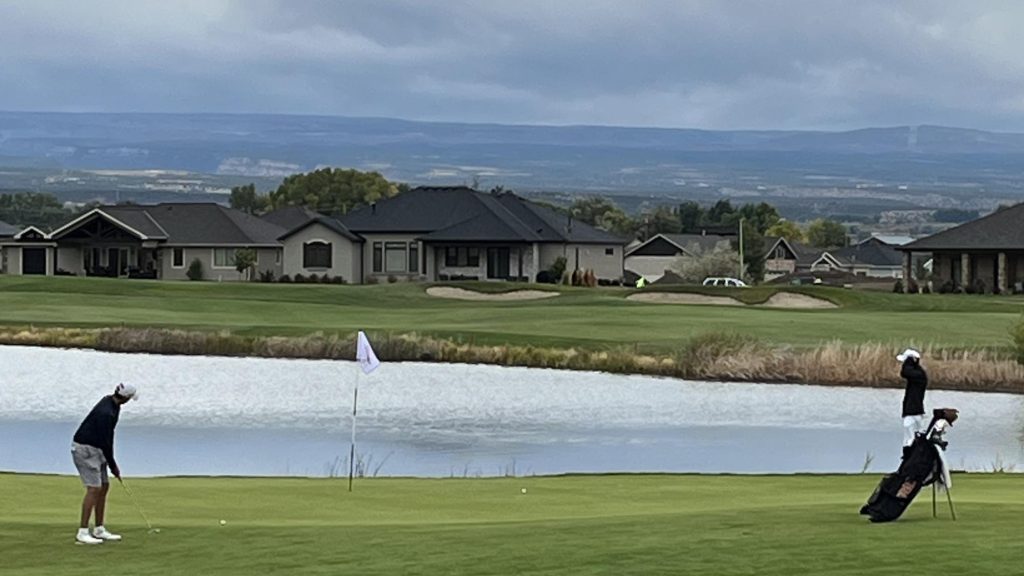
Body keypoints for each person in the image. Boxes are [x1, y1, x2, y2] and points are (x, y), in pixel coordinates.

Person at [71, 383, 137, 545]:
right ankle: (83, 531)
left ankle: (99, 529)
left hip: (97, 448)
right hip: (85, 449)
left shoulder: (111, 403)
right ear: (126, 398)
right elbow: (105, 441)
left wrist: (110, 462)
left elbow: (109, 437)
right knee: (94, 488)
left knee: (104, 486)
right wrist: (113, 465)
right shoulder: (106, 412)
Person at [897, 348, 927, 453]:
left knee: (911, 436)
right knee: (912, 435)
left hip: (914, 410)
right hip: (914, 409)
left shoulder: (919, 375)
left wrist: (909, 361)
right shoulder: (918, 373)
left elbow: (905, 372)